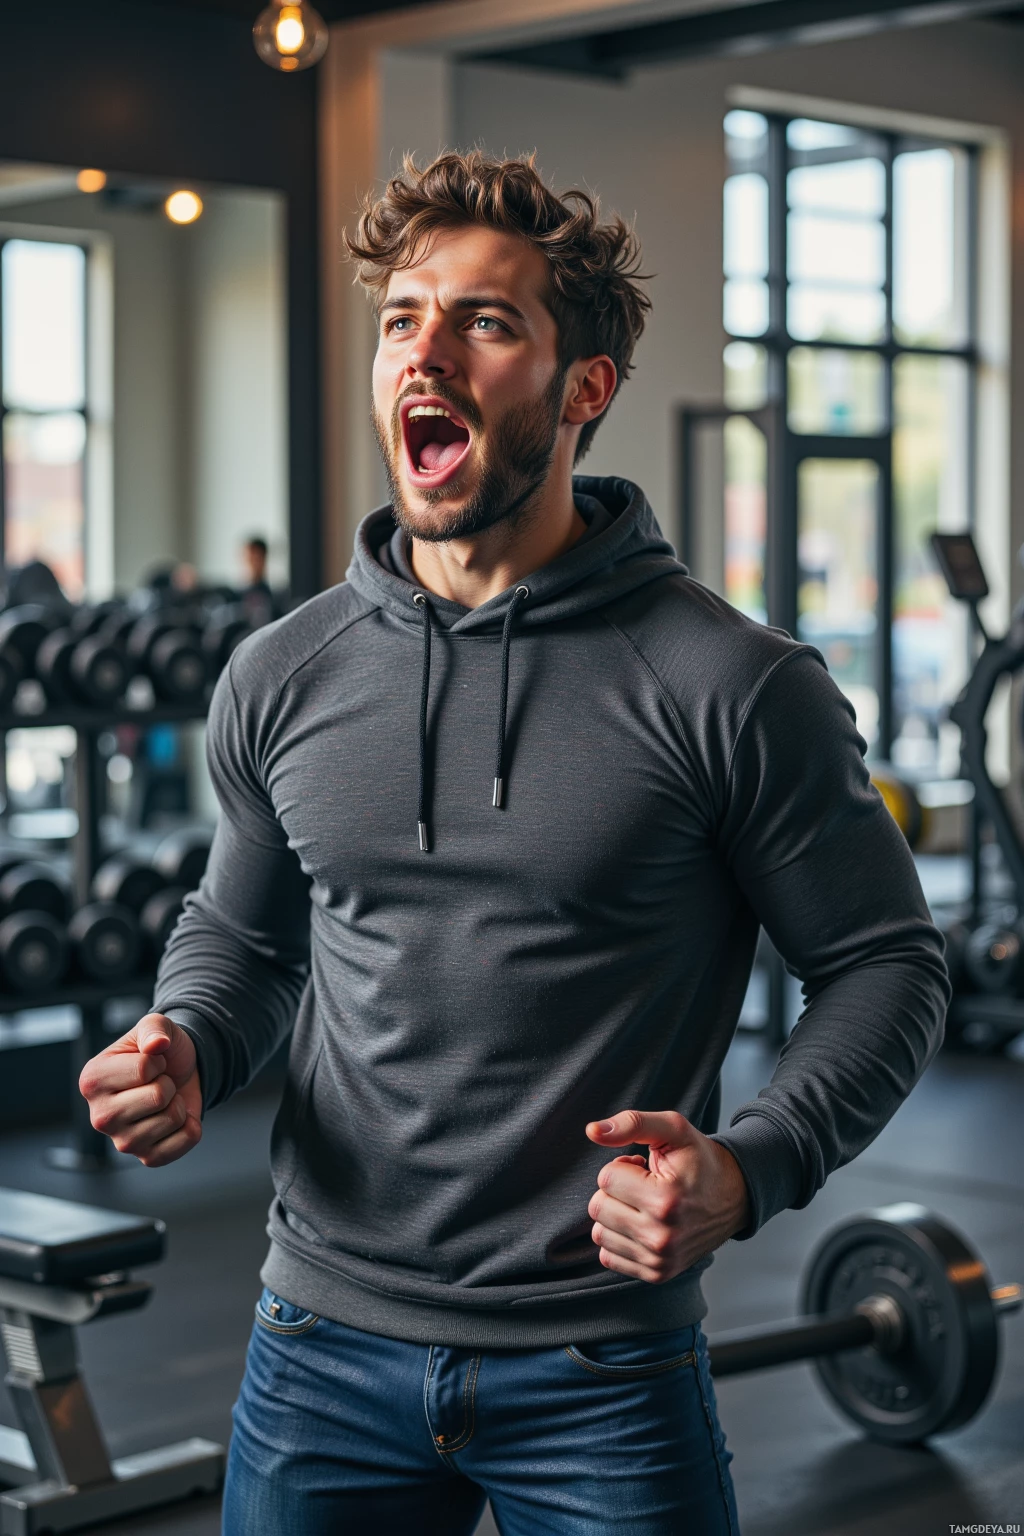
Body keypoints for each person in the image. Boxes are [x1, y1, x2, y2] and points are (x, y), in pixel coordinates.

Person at [78, 152, 948, 1535]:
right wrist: (186, 1039)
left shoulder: (729, 684)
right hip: (317, 1345)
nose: (426, 351)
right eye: (400, 316)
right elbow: (242, 941)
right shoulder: (283, 673)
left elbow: (888, 964)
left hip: (600, 1364)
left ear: (582, 387)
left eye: (484, 320)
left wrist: (750, 1166)